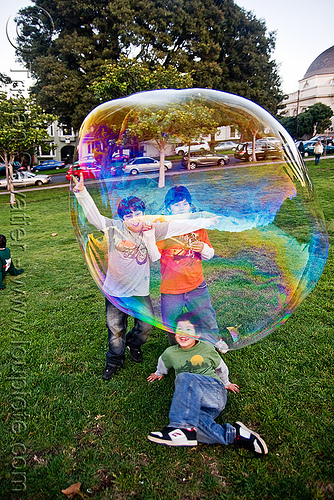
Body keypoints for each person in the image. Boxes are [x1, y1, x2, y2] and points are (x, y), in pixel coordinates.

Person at [73, 175, 219, 380]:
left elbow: (177, 225)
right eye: (128, 216)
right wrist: (82, 192)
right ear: (122, 218)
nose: (134, 219)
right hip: (115, 290)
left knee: (145, 326)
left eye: (138, 214)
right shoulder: (113, 228)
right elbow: (94, 217)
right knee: (115, 329)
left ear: (144, 214)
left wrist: (207, 221)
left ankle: (134, 343)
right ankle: (114, 360)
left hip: (139, 291)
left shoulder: (152, 230)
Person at [147, 311, 268, 454]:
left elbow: (220, 366)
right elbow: (163, 361)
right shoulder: (170, 352)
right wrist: (159, 373)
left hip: (214, 393)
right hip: (193, 404)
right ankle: (236, 435)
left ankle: (179, 427)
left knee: (184, 378)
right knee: (195, 428)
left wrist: (226, 383)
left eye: (188, 330)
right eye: (179, 330)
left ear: (197, 334)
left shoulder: (206, 348)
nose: (183, 334)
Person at [157, 186, 218, 344]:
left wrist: (203, 248)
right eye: (176, 205)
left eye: (184, 204)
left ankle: (213, 341)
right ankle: (175, 348)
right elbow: (154, 256)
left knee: (206, 315)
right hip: (171, 289)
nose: (181, 208)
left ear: (190, 206)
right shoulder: (165, 231)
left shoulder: (198, 228)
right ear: (169, 208)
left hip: (196, 285)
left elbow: (210, 254)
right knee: (170, 323)